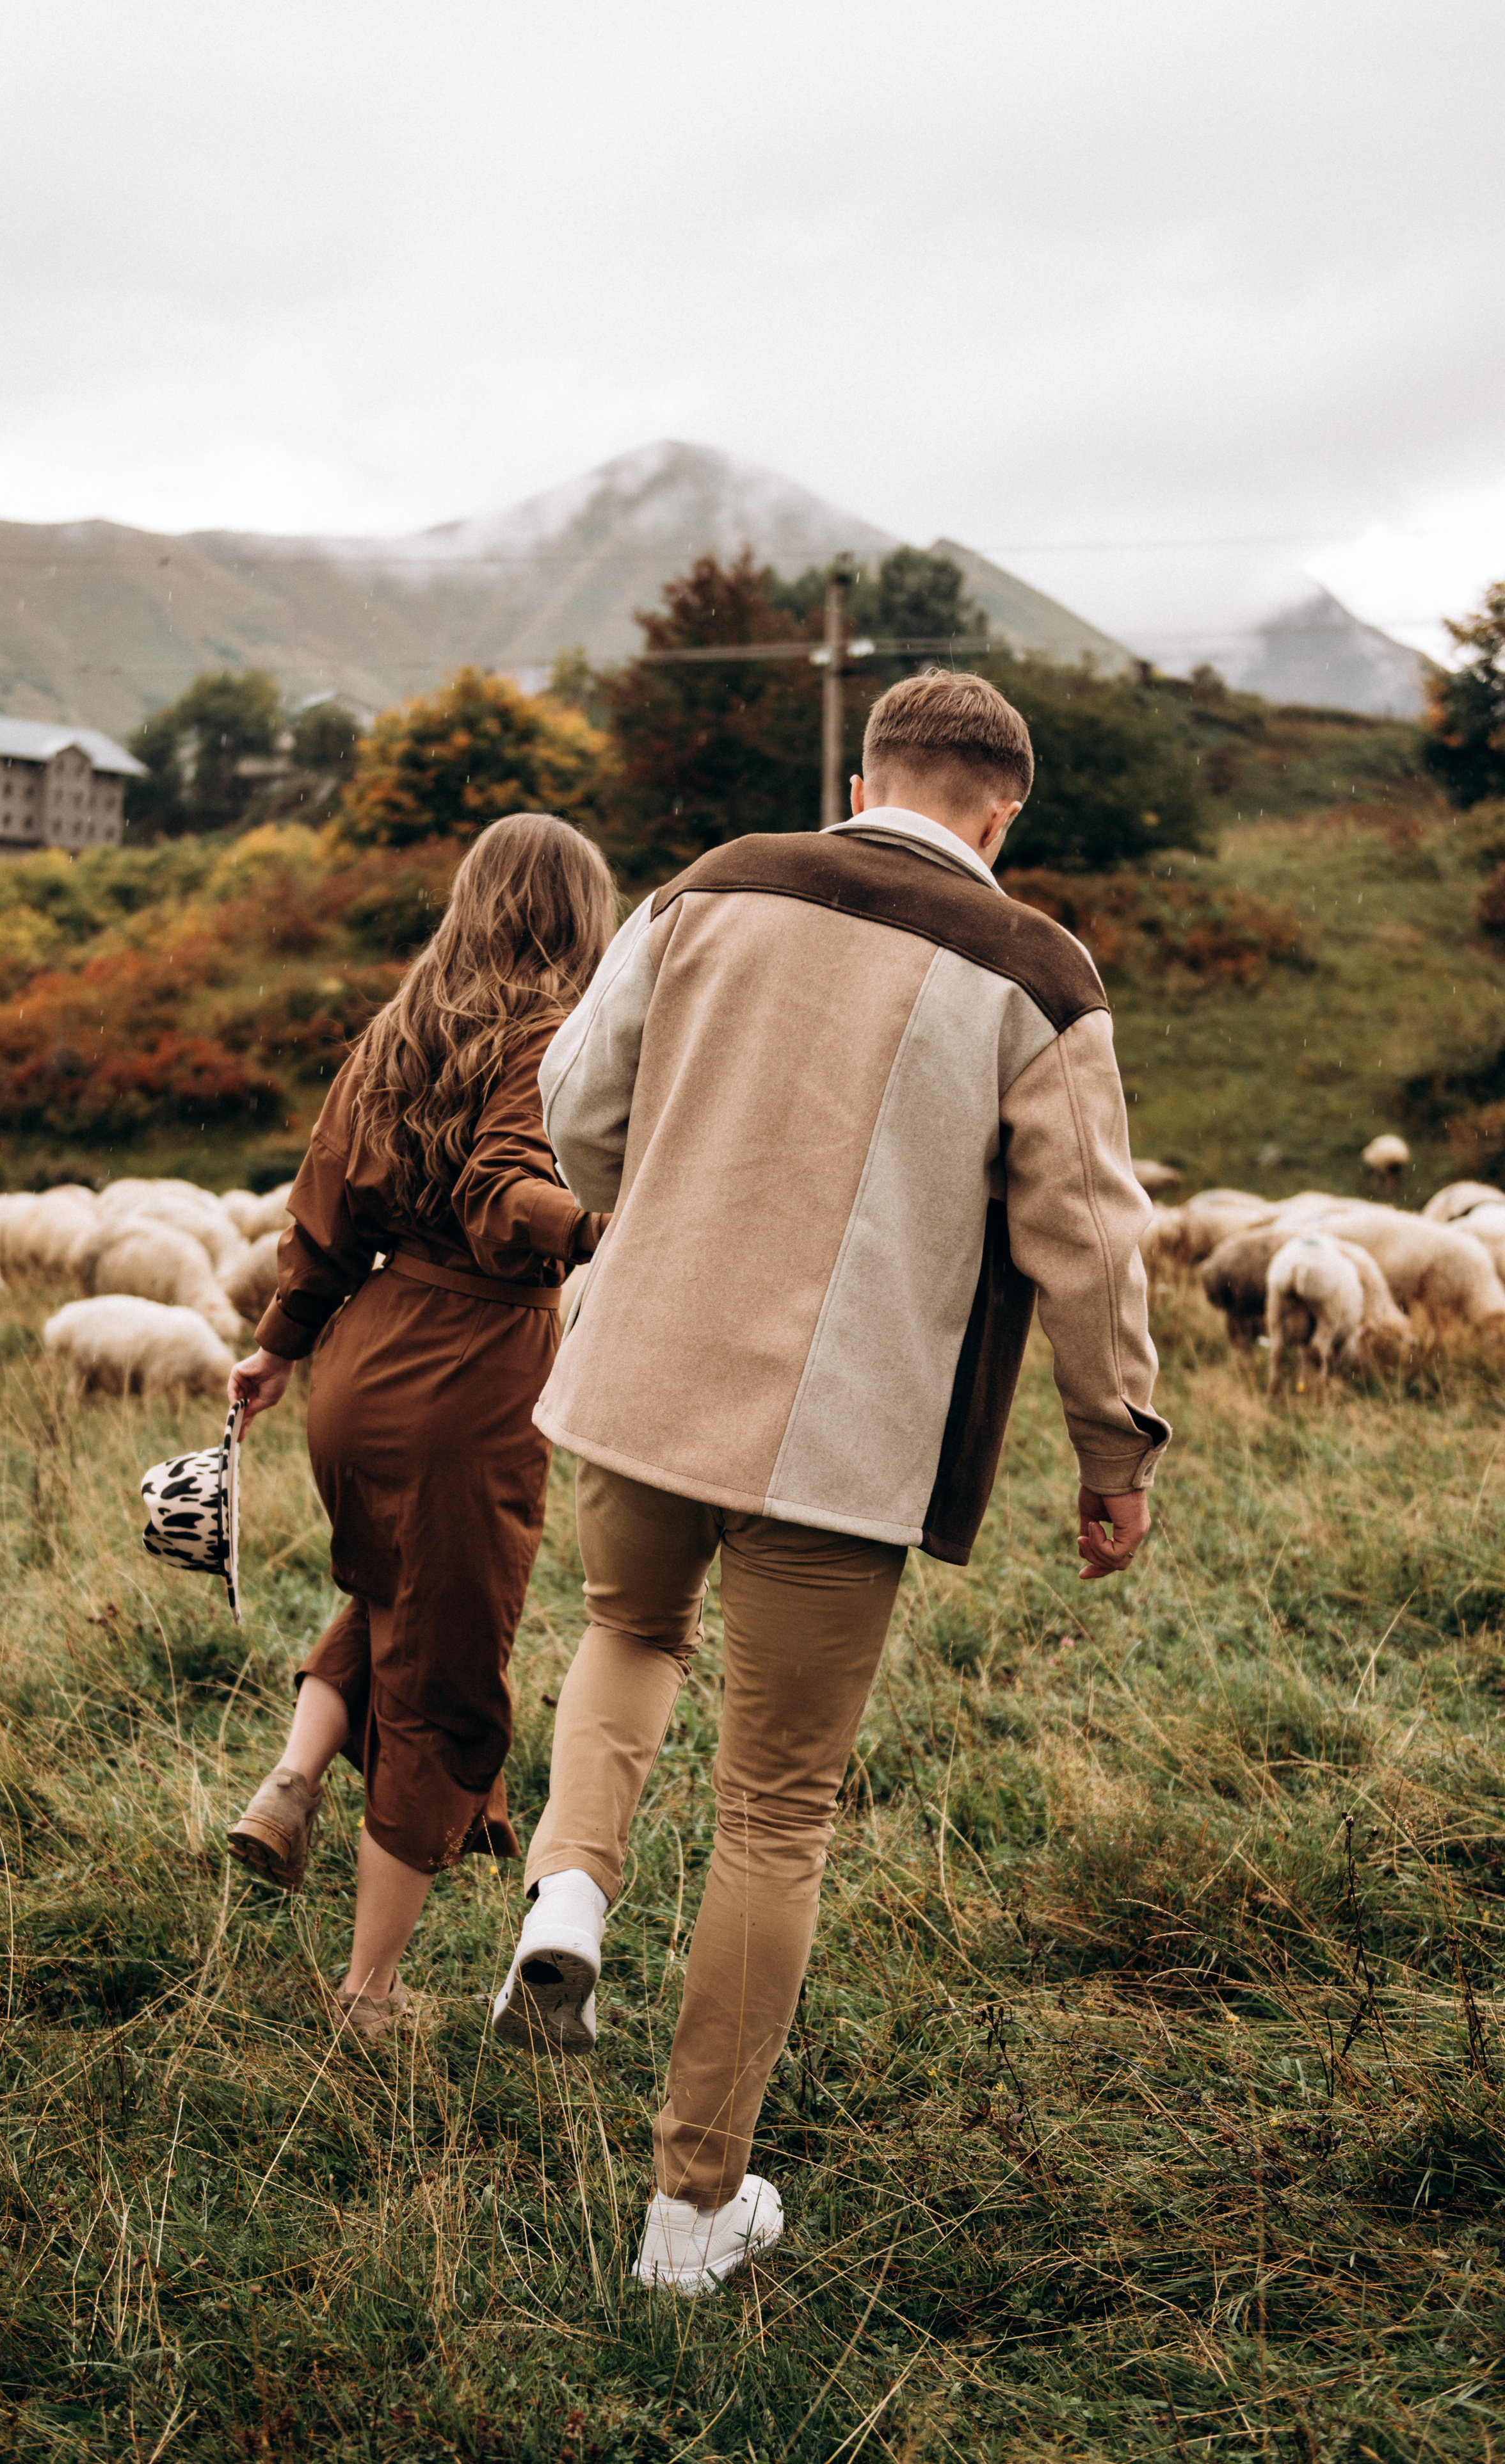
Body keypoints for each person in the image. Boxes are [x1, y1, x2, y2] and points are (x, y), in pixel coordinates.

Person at [491, 671, 1169, 2294]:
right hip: (843, 1432)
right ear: (1000, 813)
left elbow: (572, 1103)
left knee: (625, 1625)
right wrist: (1110, 1444)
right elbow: (1086, 1236)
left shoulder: (713, 880)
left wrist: (641, 1219)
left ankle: (569, 1889)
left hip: (641, 1368)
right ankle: (685, 2215)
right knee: (775, 1809)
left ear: (859, 772)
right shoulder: (1039, 973)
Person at [223, 812, 616, 2039]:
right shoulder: (554, 1033)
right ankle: (371, 1992)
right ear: (577, 917)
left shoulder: (399, 1028)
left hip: (361, 1361)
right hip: (470, 1368)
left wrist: (280, 1348)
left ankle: (293, 1780)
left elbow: (325, 1210)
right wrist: (611, 1227)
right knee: (446, 1669)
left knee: (399, 1595)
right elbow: (512, 1199)